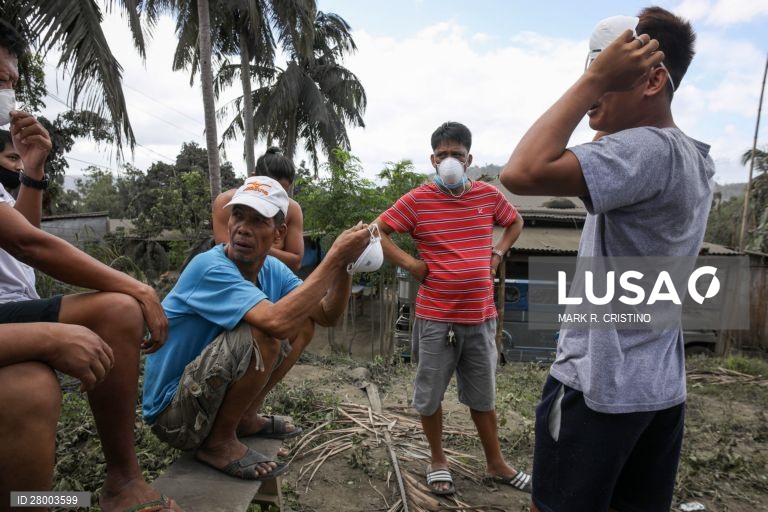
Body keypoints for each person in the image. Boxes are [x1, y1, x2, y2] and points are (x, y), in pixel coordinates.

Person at [499, 8, 710, 512]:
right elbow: (600, 141)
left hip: (598, 390)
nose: (592, 85)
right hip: (658, 391)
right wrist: (605, 90)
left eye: (607, 72)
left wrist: (593, 79)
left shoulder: (643, 152)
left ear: (653, 79)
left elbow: (522, 171)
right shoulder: (693, 156)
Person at [0, 21, 180, 512]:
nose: (7, 93)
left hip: (10, 309)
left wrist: (33, 171)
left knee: (117, 313)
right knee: (35, 386)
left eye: (11, 82)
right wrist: (137, 287)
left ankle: (120, 482)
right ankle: (45, 504)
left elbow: (20, 241)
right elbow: (28, 244)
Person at [143, 176, 370, 480]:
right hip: (172, 415)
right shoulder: (209, 267)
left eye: (258, 220)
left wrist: (346, 266)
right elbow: (275, 322)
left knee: (302, 324)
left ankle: (244, 419)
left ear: (278, 233)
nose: (242, 228)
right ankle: (218, 443)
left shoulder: (272, 268)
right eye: (238, 215)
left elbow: (326, 314)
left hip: (202, 399)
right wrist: (335, 256)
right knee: (265, 333)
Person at [373, 122, 527, 496]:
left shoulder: (489, 196)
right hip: (435, 318)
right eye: (442, 155)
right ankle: (437, 459)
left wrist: (496, 254)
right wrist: (411, 265)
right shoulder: (417, 200)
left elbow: (515, 222)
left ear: (469, 159)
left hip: (480, 317)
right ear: (432, 159)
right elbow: (376, 230)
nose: (450, 161)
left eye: (457, 155)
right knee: (429, 396)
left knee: (483, 398)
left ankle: (496, 463)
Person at [213, 147, 304, 271]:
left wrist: (257, 247)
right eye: (238, 215)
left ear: (280, 231)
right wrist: (263, 247)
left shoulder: (292, 209)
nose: (273, 195)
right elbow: (228, 257)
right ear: (253, 177)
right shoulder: (226, 202)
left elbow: (296, 262)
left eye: (280, 192)